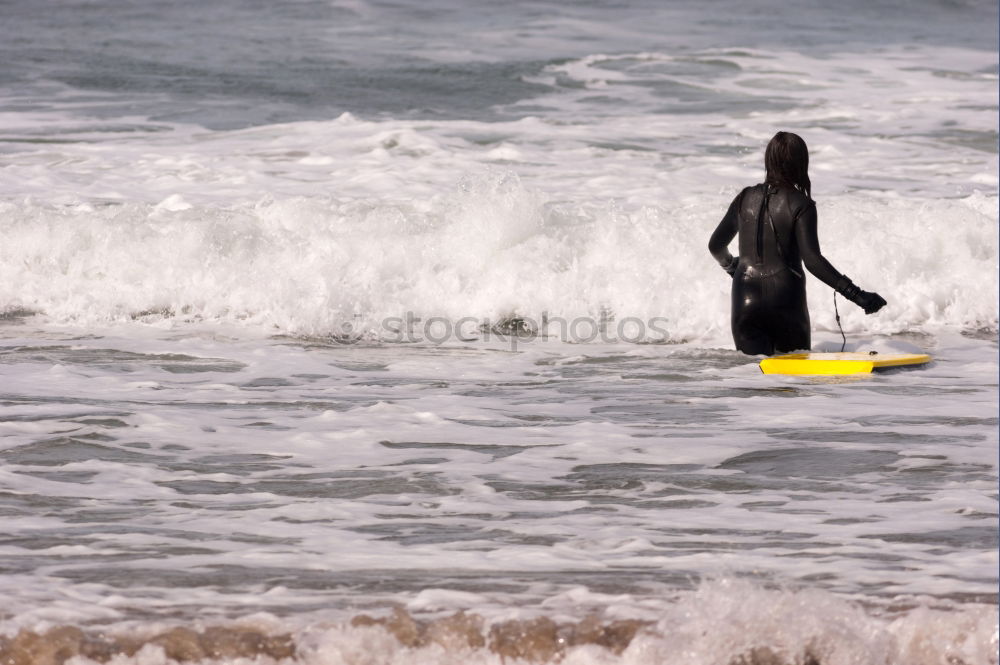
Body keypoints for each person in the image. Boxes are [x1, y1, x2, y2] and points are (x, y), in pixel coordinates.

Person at [708, 131, 886, 356]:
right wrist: (858, 295)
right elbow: (812, 260)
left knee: (753, 380)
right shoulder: (801, 204)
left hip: (745, 299)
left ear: (769, 160)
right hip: (786, 302)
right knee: (793, 381)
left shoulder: (744, 198)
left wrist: (732, 267)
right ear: (801, 163)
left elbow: (715, 245)